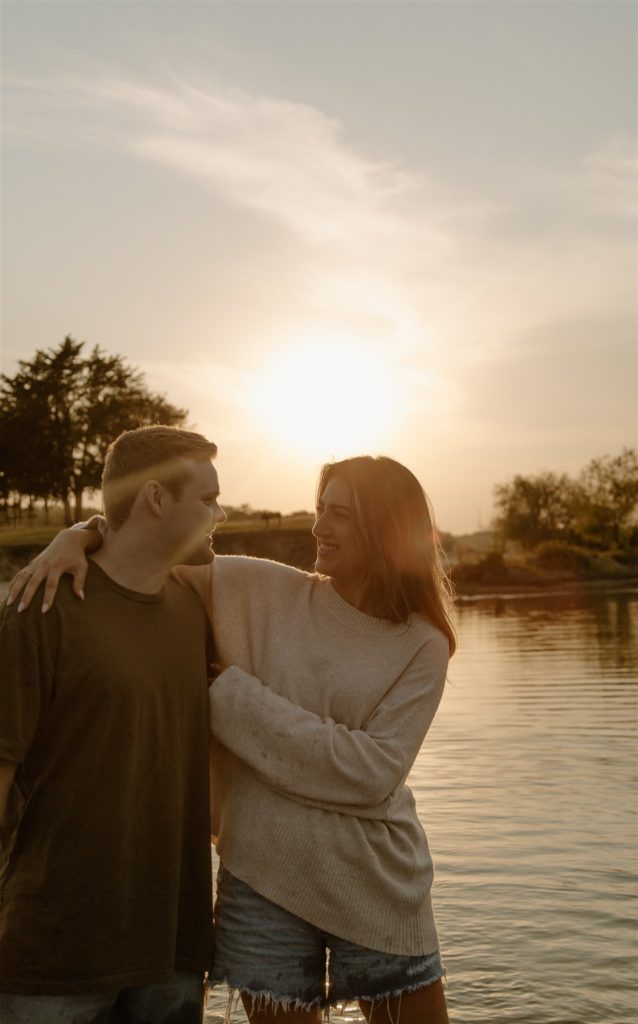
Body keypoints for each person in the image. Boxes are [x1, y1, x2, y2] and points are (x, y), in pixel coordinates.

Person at [10, 455, 455, 1024]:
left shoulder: (423, 645)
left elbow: (372, 774)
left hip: (376, 886)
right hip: (262, 882)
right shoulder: (255, 587)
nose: (318, 526)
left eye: (340, 514)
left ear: (388, 528)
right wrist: (78, 535)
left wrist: (230, 700)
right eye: (321, 509)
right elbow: (145, 553)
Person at [0, 425, 226, 1024]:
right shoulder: (39, 607)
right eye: (207, 500)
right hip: (52, 959)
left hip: (171, 950)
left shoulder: (194, 608)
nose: (219, 513)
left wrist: (82, 531)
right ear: (155, 498)